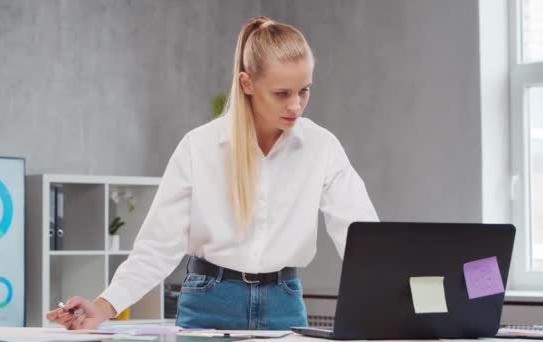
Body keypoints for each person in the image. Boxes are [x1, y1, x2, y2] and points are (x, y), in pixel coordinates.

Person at [47, 15, 378, 331]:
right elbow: (158, 247)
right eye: (281, 94)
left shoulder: (322, 147)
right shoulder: (199, 147)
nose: (296, 105)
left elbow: (362, 236)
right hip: (208, 303)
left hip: (285, 303)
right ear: (246, 83)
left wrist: (399, 310)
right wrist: (104, 306)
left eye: (304, 90)